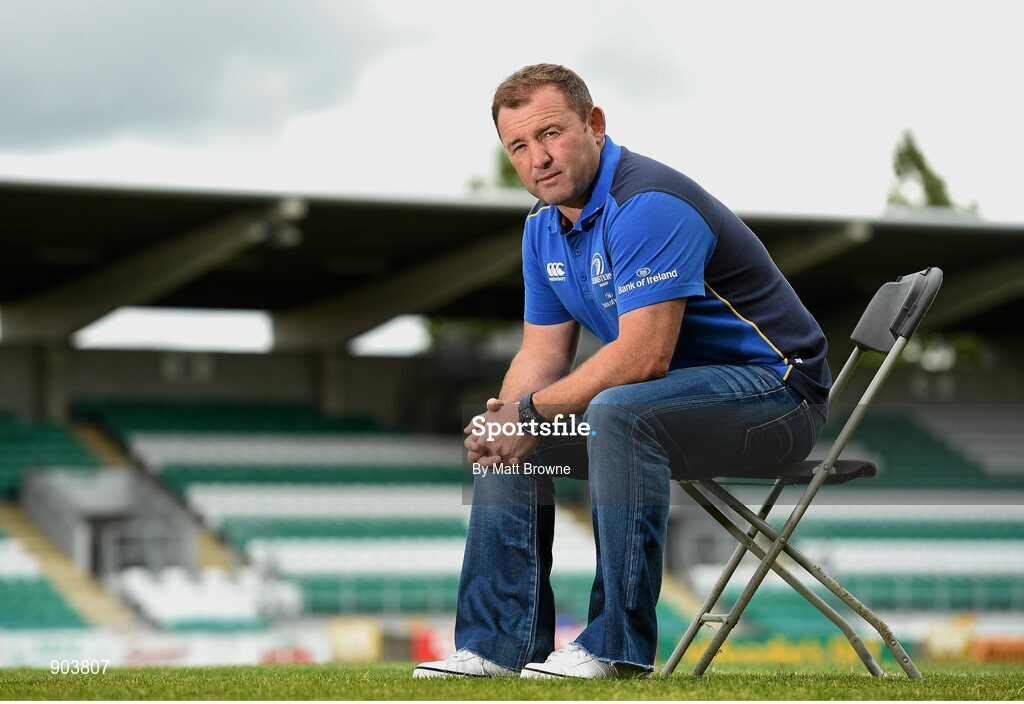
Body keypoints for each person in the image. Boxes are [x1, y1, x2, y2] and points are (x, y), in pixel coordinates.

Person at [413, 64, 830, 679]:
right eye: (518, 147)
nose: (538, 158)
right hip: (668, 410)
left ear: (595, 124)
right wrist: (506, 418)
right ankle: (497, 648)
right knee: (518, 443)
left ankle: (614, 647)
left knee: (616, 409)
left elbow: (642, 358)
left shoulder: (647, 203)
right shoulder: (541, 228)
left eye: (551, 133)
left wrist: (532, 412)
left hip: (777, 396)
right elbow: (541, 356)